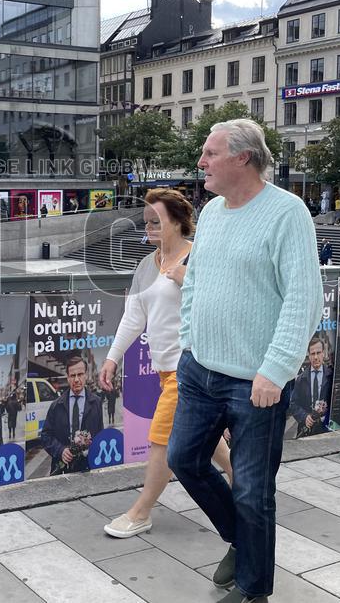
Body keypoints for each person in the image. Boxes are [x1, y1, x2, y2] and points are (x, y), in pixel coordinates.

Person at [165, 119, 323, 603]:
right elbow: (193, 283)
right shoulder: (211, 212)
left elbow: (304, 298)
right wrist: (189, 342)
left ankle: (254, 589)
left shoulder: (287, 213)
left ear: (243, 159)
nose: (201, 162)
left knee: (254, 489)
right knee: (184, 460)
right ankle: (242, 540)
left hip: (256, 382)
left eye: (209, 153)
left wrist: (275, 369)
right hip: (200, 369)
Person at [100, 188, 232, 539]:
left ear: (176, 222)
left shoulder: (198, 257)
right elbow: (134, 316)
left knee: (161, 438)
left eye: (156, 221)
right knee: (208, 436)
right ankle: (241, 480)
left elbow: (221, 302)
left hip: (190, 367)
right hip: (164, 370)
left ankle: (141, 511)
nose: (149, 227)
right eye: (146, 221)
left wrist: (186, 279)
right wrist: (113, 358)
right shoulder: (147, 264)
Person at [40, 356, 103, 474]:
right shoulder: (56, 406)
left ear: (86, 375)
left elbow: (99, 435)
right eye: (73, 376)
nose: (77, 379)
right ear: (67, 377)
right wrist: (61, 450)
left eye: (80, 374)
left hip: (89, 468)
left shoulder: (96, 403)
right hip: (63, 470)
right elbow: (45, 436)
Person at [288, 337, 332, 437]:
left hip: (326, 429)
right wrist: (304, 417)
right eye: (313, 354)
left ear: (323, 353)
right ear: (309, 355)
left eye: (318, 352)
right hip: (306, 429)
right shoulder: (301, 379)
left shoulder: (331, 376)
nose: (316, 357)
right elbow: (293, 404)